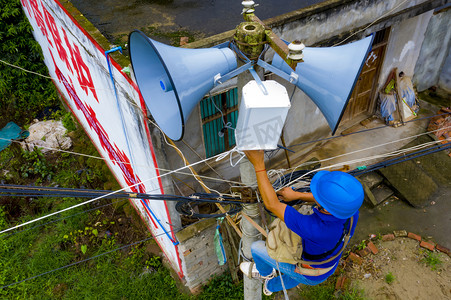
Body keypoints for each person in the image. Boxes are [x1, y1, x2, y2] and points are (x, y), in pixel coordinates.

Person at [239, 150, 364, 296]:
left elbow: (272, 204)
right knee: (294, 277)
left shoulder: (315, 229)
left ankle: (264, 273)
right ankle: (270, 287)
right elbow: (327, 203)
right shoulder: (350, 211)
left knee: (256, 248)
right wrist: (297, 195)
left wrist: (259, 164)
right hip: (328, 264)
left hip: (309, 271)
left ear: (325, 207)